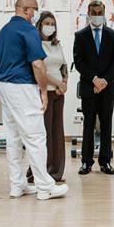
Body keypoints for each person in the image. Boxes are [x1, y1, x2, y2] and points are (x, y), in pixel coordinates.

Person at [0, 0, 68, 200]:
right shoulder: (27, 30)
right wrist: (43, 91)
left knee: (13, 138)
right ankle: (45, 187)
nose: (35, 14)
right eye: (34, 10)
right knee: (36, 137)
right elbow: (37, 64)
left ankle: (17, 185)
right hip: (22, 87)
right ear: (26, 10)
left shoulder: (3, 31)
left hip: (4, 86)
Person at [72, 0, 114, 175]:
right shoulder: (80, 36)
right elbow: (79, 62)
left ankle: (105, 161)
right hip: (89, 88)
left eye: (100, 12)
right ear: (88, 13)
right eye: (94, 12)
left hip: (108, 88)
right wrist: (94, 79)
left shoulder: (113, 35)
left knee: (107, 125)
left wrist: (104, 81)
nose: (97, 15)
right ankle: (86, 162)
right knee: (89, 125)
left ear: (104, 13)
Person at [36, 10, 68, 183]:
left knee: (57, 132)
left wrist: (64, 84)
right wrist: (58, 83)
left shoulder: (57, 44)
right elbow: (40, 69)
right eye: (46, 23)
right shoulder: (36, 44)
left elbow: (64, 65)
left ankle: (56, 171)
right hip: (44, 91)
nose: (50, 27)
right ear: (39, 25)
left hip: (58, 93)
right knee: (45, 132)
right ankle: (42, 171)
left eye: (52, 24)